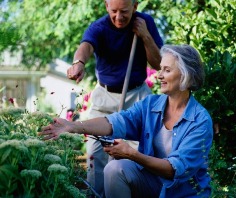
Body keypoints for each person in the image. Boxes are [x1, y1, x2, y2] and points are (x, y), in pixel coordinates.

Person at [40, 44, 214, 198]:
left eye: (167, 70)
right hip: (152, 184)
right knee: (114, 169)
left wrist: (132, 154)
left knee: (125, 164)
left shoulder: (200, 121)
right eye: (160, 69)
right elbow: (115, 121)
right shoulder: (150, 105)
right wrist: (74, 126)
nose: (159, 75)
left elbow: (174, 170)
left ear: (186, 76)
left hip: (182, 192)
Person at [67, 0, 163, 195]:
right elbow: (86, 46)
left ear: (135, 6)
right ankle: (96, 194)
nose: (119, 17)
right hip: (105, 97)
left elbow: (158, 64)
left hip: (137, 97)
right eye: (114, 11)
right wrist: (78, 63)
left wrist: (145, 36)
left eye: (124, 11)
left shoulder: (145, 22)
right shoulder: (99, 27)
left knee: (135, 155)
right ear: (106, 6)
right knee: (95, 154)